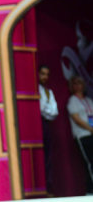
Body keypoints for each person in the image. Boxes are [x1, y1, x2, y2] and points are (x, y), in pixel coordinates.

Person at [66, 75, 93, 195]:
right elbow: (76, 118)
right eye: (74, 83)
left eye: (79, 83)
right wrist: (90, 128)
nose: (77, 86)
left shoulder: (89, 100)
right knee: (89, 162)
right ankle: (90, 191)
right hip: (82, 135)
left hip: (91, 133)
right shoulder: (73, 100)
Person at [38, 65, 58, 195]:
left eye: (47, 74)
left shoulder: (48, 92)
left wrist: (47, 110)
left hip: (46, 125)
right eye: (42, 74)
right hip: (38, 125)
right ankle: (40, 187)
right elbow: (41, 109)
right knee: (40, 156)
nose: (45, 77)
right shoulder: (35, 90)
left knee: (48, 157)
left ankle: (48, 187)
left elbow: (54, 112)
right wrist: (48, 110)